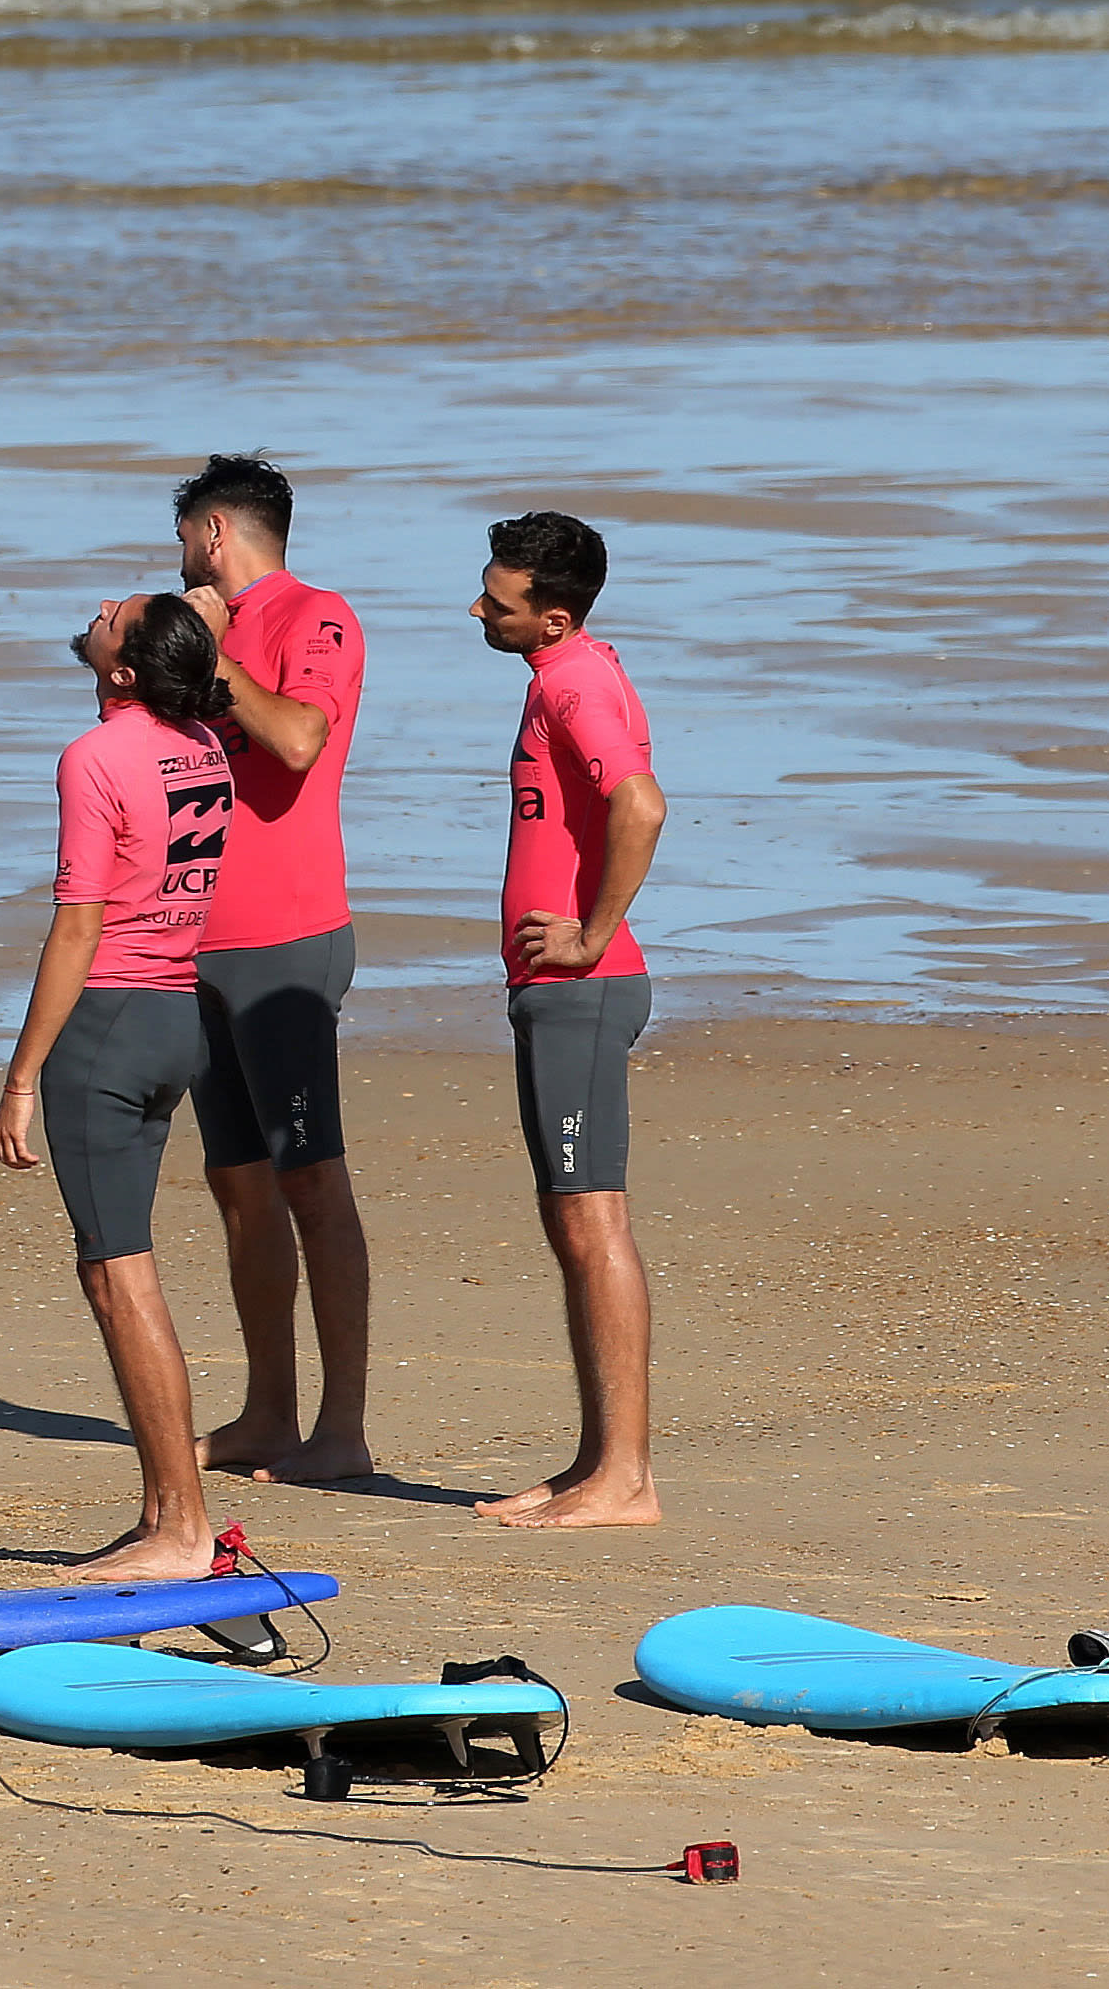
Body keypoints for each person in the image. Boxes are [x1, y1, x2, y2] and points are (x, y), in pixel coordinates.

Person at [0, 593, 239, 1583]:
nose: (98, 610)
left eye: (116, 617)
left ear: (123, 669)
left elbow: (78, 926)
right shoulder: (203, 746)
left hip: (107, 1027)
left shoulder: (94, 756)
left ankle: (179, 1526)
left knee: (115, 1272)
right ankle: (164, 1513)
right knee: (122, 1264)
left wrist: (17, 1077)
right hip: (177, 1017)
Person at [167, 451, 375, 1487]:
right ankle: (266, 1412)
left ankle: (342, 1427)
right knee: (237, 1186)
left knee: (309, 1177)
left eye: (184, 541)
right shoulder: (199, 630)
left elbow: (294, 740)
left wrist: (213, 658)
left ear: (211, 534)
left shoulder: (314, 616)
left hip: (286, 938)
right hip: (193, 939)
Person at [469, 508, 670, 1528]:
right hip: (557, 993)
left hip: (580, 991)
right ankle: (596, 1461)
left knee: (592, 1224)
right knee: (571, 1223)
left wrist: (591, 935)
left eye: (497, 602)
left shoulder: (573, 681)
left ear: (549, 618)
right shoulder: (568, 671)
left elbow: (639, 804)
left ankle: (625, 1478)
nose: (477, 609)